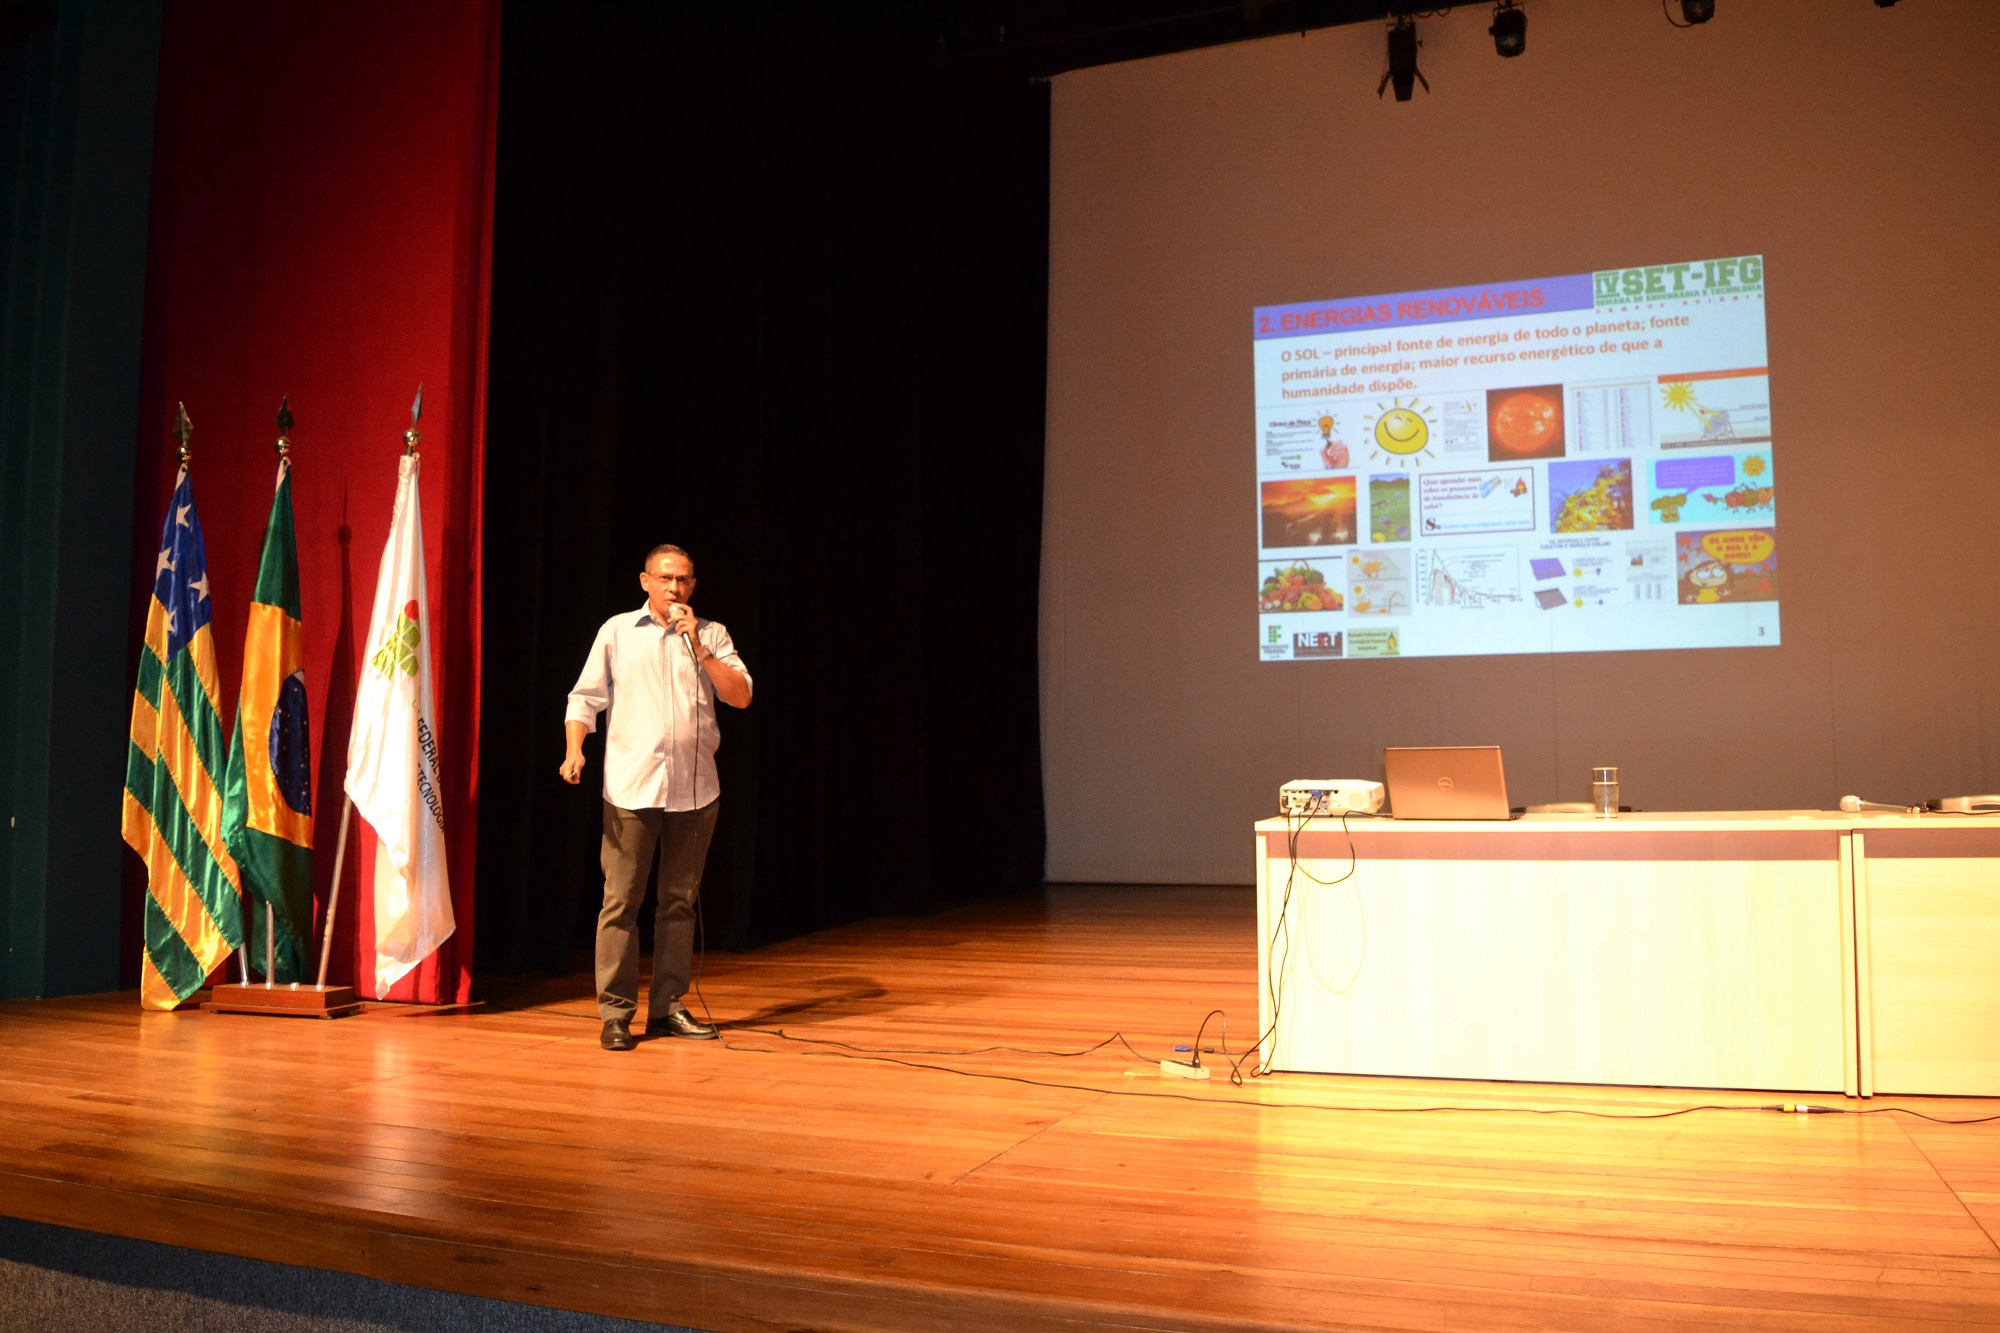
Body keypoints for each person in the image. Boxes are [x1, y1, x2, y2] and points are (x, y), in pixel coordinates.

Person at [561, 544, 753, 1051]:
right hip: (632, 787)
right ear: (645, 581)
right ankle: (616, 1014)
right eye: (666, 578)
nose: (675, 589)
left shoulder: (710, 634)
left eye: (685, 580)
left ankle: (668, 1008)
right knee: (621, 901)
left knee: (678, 904)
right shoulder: (617, 632)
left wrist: (703, 650)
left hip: (694, 791)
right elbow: (584, 698)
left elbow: (741, 695)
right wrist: (574, 749)